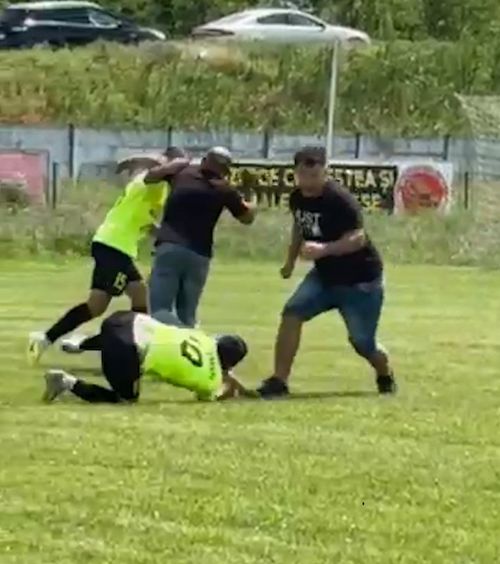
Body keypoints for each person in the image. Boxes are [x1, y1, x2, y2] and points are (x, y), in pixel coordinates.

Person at [257, 146, 396, 398]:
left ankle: (384, 372)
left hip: (360, 281)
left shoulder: (339, 200)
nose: (308, 182)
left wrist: (324, 249)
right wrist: (290, 261)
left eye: (314, 175)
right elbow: (300, 227)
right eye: (303, 175)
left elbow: (358, 238)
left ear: (325, 172)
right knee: (292, 313)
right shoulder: (297, 197)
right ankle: (279, 380)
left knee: (362, 343)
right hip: (325, 277)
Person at [28, 147, 189, 364]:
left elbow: (146, 221)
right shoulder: (151, 180)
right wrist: (180, 162)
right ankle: (66, 341)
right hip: (114, 246)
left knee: (131, 299)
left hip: (115, 247)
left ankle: (59, 341)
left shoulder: (159, 188)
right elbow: (162, 166)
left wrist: (169, 238)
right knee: (106, 306)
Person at [147, 146, 256, 327]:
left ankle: (176, 335)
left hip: (170, 249)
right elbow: (247, 218)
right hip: (199, 256)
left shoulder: (182, 173)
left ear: (204, 160)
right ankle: (190, 338)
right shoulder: (225, 189)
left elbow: (149, 178)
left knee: (160, 311)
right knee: (187, 315)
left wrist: (171, 166)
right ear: (225, 170)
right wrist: (252, 203)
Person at [42, 310, 250, 403]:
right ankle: (66, 383)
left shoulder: (202, 337)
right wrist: (228, 388)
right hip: (128, 350)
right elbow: (210, 396)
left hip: (125, 319)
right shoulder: (210, 381)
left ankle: (81, 344)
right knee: (126, 399)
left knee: (139, 333)